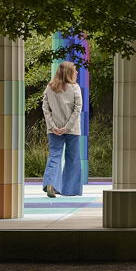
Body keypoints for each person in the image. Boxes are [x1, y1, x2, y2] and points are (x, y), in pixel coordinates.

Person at [41, 61, 84, 197]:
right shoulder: (75, 87)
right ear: (68, 72)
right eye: (75, 70)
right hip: (72, 130)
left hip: (53, 130)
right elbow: (78, 108)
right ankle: (70, 190)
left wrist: (53, 126)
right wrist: (67, 127)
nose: (77, 73)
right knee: (73, 158)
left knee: (54, 155)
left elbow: (45, 108)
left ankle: (50, 184)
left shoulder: (49, 88)